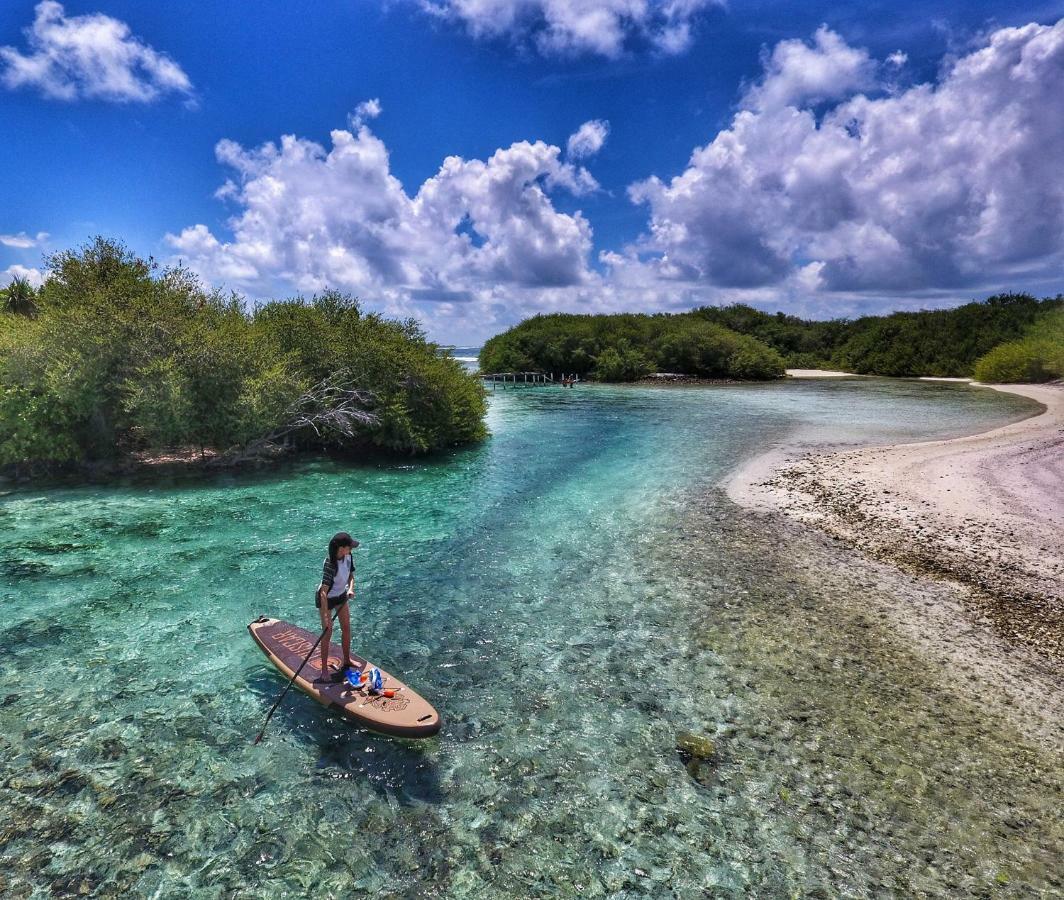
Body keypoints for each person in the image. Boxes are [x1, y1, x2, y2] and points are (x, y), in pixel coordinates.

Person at [316, 531, 360, 682]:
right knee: (327, 633)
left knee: (346, 628)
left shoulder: (349, 556)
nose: (352, 549)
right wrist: (326, 617)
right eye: (349, 547)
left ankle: (347, 660)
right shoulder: (330, 564)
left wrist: (351, 588)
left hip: (341, 595)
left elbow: (350, 576)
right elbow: (323, 592)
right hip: (326, 600)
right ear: (341, 548)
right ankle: (323, 670)